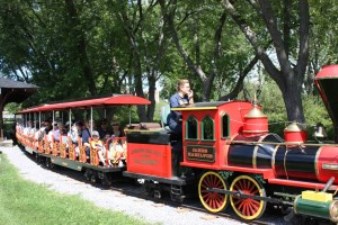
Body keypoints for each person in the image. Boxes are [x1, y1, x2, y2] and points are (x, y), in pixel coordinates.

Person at [167, 79, 194, 177]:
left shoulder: (187, 97)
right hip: (175, 122)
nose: (189, 88)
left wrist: (191, 98)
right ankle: (180, 156)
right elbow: (176, 112)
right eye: (187, 87)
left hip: (185, 122)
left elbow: (193, 108)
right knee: (187, 132)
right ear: (181, 88)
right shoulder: (173, 98)